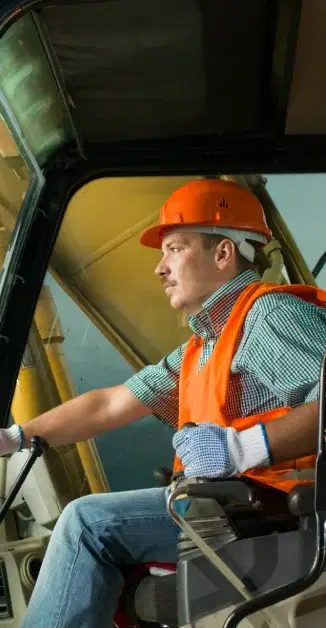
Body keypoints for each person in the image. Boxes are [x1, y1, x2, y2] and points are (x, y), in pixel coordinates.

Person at [2, 178, 325, 627]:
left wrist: (240, 449)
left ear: (224, 253)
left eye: (175, 248)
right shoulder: (207, 341)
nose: (160, 268)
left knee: (87, 524)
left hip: (279, 516)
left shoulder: (268, 318)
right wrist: (16, 437)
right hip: (233, 509)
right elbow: (111, 404)